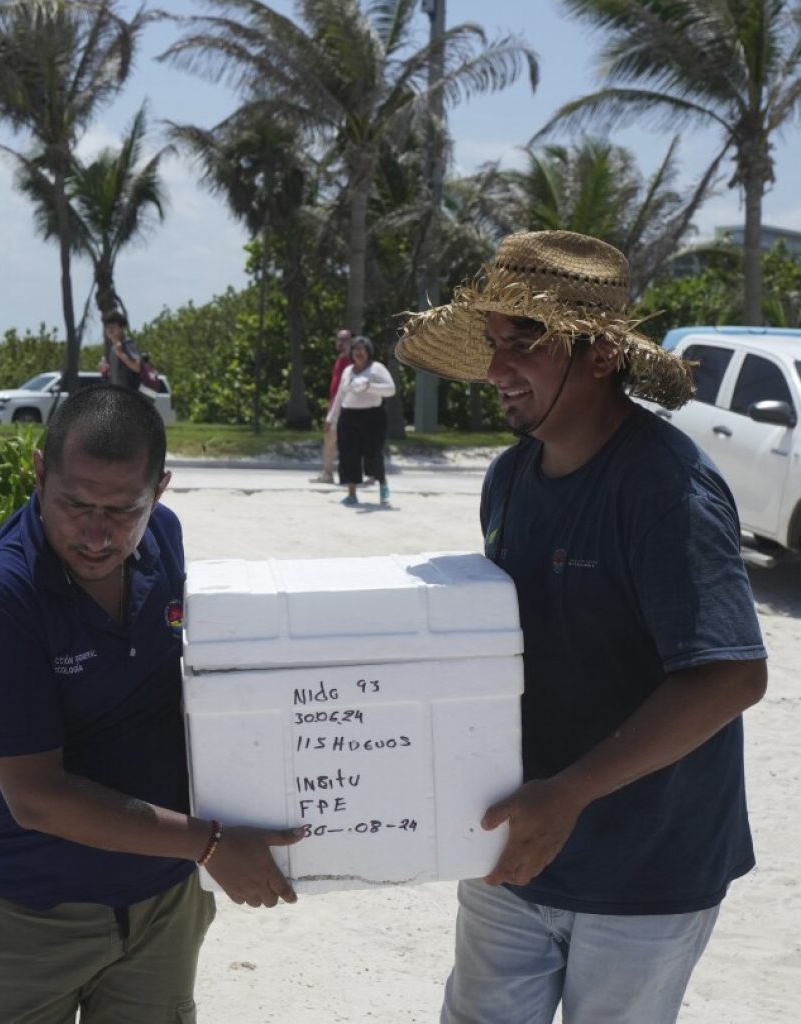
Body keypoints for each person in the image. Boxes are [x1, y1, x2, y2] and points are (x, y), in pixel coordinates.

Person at [395, 230, 768, 1024]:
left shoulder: (666, 488)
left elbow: (732, 675)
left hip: (647, 867)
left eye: (523, 344)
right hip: (517, 849)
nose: (497, 371)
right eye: (493, 344)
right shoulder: (507, 480)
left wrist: (568, 794)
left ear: (600, 355)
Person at [0, 384, 303, 1023]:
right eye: (75, 503)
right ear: (39, 472)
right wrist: (214, 846)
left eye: (122, 509)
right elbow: (37, 798)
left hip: (161, 907)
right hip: (28, 915)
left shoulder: (163, 539)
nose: (96, 534)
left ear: (159, 490)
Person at [327, 336, 396, 506]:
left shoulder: (377, 368)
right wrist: (331, 418)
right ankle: (352, 493)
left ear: (368, 352)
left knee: (373, 455)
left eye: (362, 349)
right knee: (349, 455)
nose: (359, 352)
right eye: (355, 349)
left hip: (373, 417)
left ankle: (383, 485)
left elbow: (391, 389)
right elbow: (340, 396)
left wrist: (369, 386)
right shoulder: (347, 371)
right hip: (348, 416)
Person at [311, 328, 353, 484]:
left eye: (345, 340)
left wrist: (335, 412)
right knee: (330, 439)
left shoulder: (351, 362)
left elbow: (345, 390)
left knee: (340, 440)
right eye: (339, 340)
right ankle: (328, 473)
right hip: (335, 407)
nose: (341, 343)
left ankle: (340, 474)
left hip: (343, 409)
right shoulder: (340, 360)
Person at [97, 309, 143, 392]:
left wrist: (121, 353)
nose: (109, 330)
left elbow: (137, 367)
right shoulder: (113, 349)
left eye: (113, 327)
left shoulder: (127, 344)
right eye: (107, 327)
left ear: (121, 328)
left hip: (131, 396)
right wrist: (105, 370)